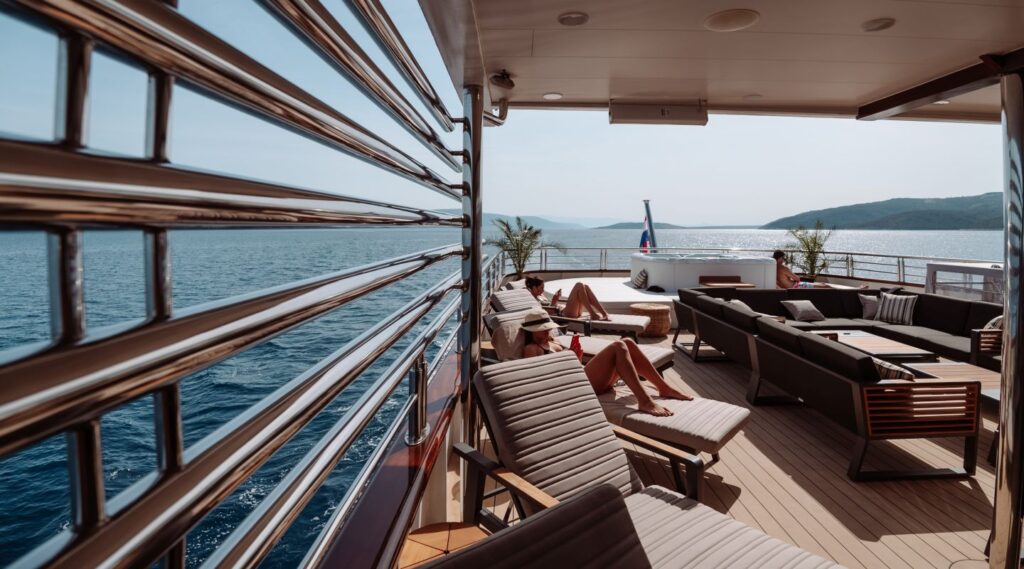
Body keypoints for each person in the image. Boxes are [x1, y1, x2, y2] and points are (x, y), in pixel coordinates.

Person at [519, 308, 690, 416]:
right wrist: (567, 358)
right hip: (572, 386)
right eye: (540, 330)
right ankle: (644, 401)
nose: (545, 331)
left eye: (547, 328)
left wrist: (574, 356)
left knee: (628, 343)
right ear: (530, 331)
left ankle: (663, 387)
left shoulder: (551, 341)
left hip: (581, 375)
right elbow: (540, 379)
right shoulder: (531, 349)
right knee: (618, 346)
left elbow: (570, 363)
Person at [525, 276, 610, 320]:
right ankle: (593, 314)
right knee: (579, 285)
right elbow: (547, 313)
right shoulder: (532, 300)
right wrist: (554, 301)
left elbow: (551, 306)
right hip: (564, 314)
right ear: (534, 288)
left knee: (585, 287)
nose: (543, 290)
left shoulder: (540, 296)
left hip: (566, 310)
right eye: (541, 288)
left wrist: (556, 299)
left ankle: (604, 313)